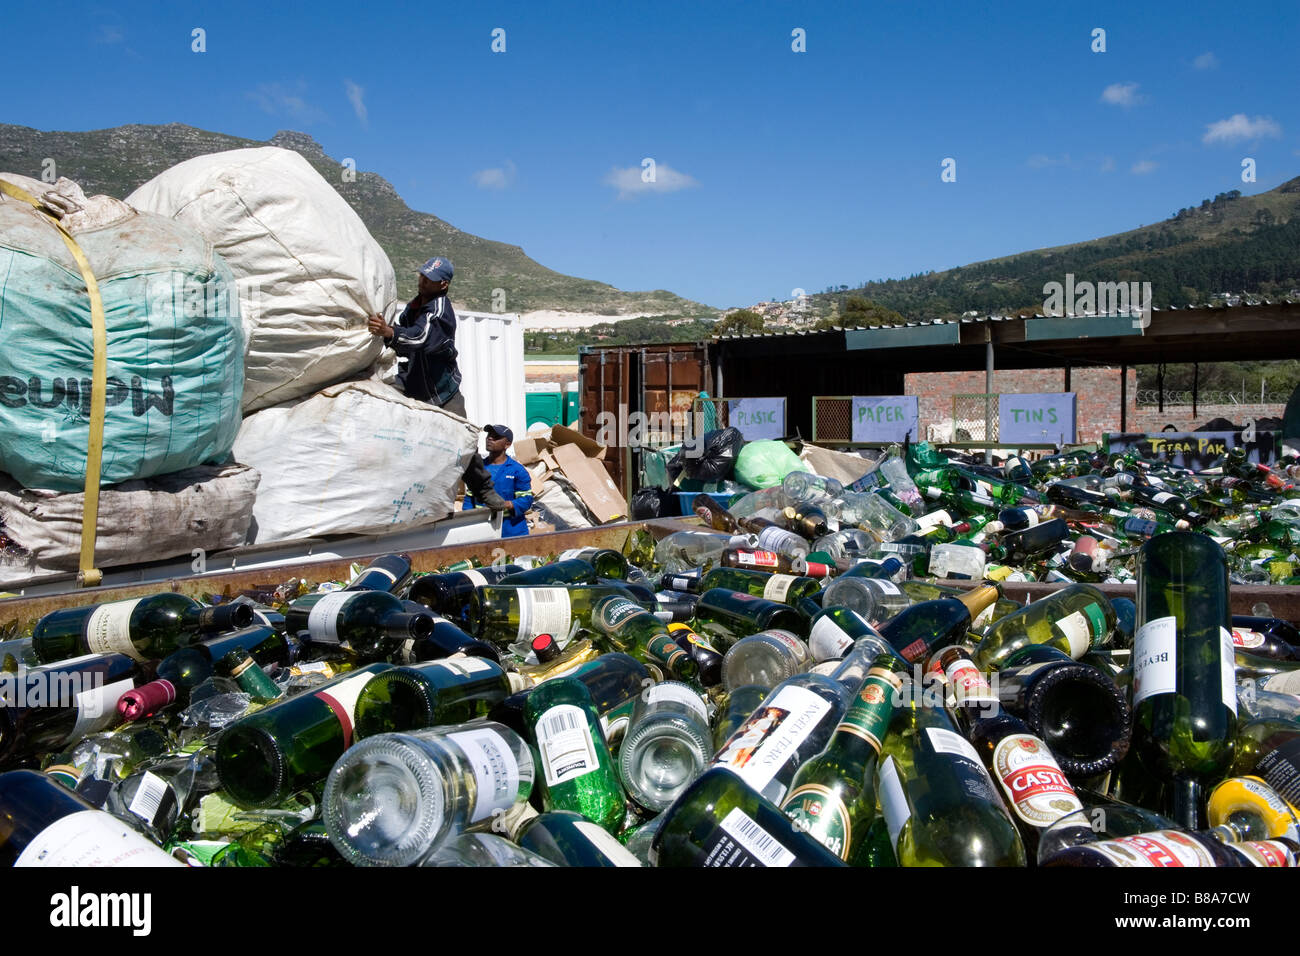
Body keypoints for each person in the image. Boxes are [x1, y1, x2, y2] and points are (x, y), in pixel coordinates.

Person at [368, 256, 510, 512]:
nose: (422, 282)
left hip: (442, 390)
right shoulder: (414, 306)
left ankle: (484, 490)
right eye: (421, 276)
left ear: (443, 284)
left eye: (429, 279)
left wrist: (390, 333)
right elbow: (406, 339)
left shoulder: (440, 310)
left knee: (464, 443)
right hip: (413, 382)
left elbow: (420, 338)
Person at [462, 425, 533, 537]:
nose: (490, 439)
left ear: (507, 444)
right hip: (482, 530)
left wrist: (507, 504)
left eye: (496, 437)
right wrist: (468, 520)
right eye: (489, 436)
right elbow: (470, 497)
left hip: (511, 530)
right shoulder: (478, 469)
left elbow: (526, 499)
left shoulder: (517, 470)